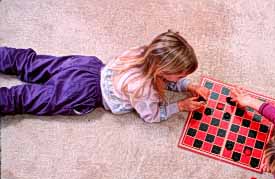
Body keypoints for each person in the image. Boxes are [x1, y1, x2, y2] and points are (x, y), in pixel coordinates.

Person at [0, 30, 209, 121]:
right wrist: (179, 106)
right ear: (163, 72)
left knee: (30, 62)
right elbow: (151, 116)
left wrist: (187, 86)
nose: (181, 78)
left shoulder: (143, 52)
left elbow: (162, 77)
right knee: (24, 98)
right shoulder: (145, 92)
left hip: (85, 66)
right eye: (180, 75)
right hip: (81, 94)